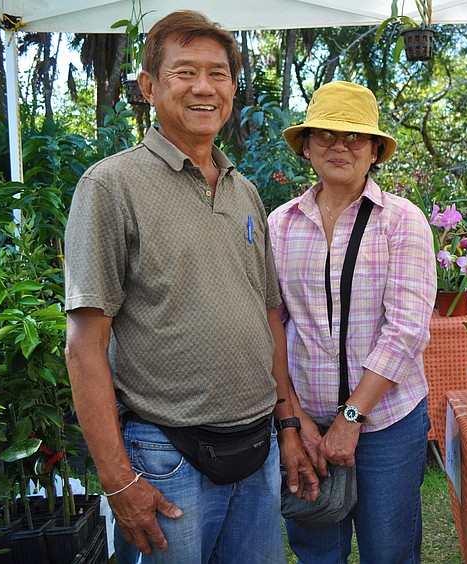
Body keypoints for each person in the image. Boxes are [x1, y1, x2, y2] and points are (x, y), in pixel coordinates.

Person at [64, 11, 316, 563]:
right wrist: (118, 481)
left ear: (232, 87)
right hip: (164, 457)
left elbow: (267, 316)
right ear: (150, 87)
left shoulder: (244, 190)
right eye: (185, 72)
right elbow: (84, 345)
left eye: (218, 74)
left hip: (259, 450)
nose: (205, 88)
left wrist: (288, 425)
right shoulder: (110, 186)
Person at [268, 81, 436, 562]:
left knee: (389, 549)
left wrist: (351, 417)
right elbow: (271, 326)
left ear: (375, 150)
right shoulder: (279, 225)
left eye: (354, 136)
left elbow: (406, 329)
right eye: (324, 134)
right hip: (305, 420)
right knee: (317, 546)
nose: (339, 146)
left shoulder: (401, 221)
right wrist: (292, 418)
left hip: (386, 421)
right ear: (305, 145)